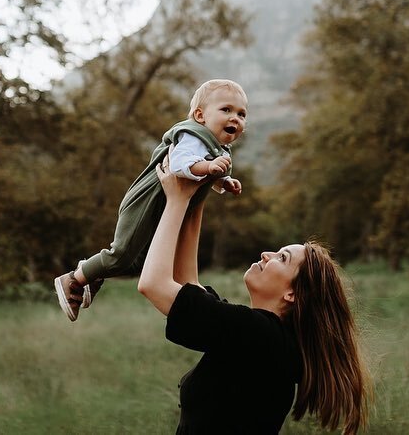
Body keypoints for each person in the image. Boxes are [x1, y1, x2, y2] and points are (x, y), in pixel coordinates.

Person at [138, 157, 372, 434]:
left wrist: (176, 201)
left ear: (292, 295)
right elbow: (187, 283)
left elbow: (153, 284)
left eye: (281, 257)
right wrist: (196, 195)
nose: (266, 254)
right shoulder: (265, 338)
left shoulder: (259, 335)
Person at [54, 79, 248, 322]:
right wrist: (209, 166)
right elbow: (179, 165)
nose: (236, 118)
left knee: (140, 261)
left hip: (165, 207)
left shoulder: (219, 148)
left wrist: (223, 181)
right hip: (146, 201)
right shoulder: (192, 135)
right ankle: (75, 278)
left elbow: (205, 174)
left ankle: (94, 273)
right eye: (226, 110)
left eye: (241, 114)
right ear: (200, 115)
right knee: (122, 253)